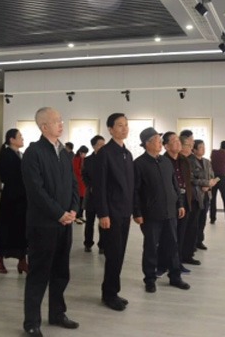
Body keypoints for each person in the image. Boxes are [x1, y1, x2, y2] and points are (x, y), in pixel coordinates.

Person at [21, 107, 80, 337]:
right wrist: (58, 213)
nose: (61, 124)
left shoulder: (64, 152)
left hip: (65, 223)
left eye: (61, 120)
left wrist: (73, 209)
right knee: (39, 274)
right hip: (43, 225)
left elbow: (73, 184)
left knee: (61, 272)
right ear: (44, 126)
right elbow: (36, 190)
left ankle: (57, 313)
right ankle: (31, 322)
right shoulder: (33, 153)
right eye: (56, 121)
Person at [133, 128, 190, 293]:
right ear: (147, 143)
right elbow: (135, 191)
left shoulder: (165, 162)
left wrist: (179, 204)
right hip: (151, 214)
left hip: (170, 212)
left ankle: (175, 276)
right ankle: (150, 279)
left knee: (172, 246)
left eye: (160, 140)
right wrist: (137, 212)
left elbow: (174, 185)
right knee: (151, 248)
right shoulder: (139, 164)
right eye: (157, 140)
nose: (160, 143)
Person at [93, 113, 134, 311]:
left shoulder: (127, 153)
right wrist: (103, 214)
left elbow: (130, 185)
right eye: (119, 125)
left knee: (120, 254)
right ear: (110, 129)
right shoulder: (105, 153)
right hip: (111, 212)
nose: (124, 128)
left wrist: (132, 210)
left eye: (126, 125)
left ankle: (113, 291)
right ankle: (109, 294)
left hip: (124, 211)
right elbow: (99, 186)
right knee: (113, 254)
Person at [157, 132, 194, 275]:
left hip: (184, 200)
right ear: (166, 146)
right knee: (166, 236)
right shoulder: (162, 161)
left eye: (178, 140)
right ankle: (162, 265)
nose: (178, 143)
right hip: (170, 201)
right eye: (174, 141)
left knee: (181, 234)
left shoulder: (184, 160)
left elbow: (188, 182)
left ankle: (177, 263)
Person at [0, 128, 28, 275]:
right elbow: (6, 176)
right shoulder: (6, 155)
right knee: (6, 227)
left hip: (22, 197)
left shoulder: (21, 154)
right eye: (20, 136)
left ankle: (22, 260)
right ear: (12, 140)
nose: (22, 139)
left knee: (22, 228)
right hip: (11, 197)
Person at [190, 139, 217, 256]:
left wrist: (209, 185)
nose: (203, 149)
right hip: (197, 194)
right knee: (194, 220)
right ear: (194, 149)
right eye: (200, 147)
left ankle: (199, 240)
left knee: (202, 219)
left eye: (204, 146)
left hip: (206, 194)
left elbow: (212, 176)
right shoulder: (190, 161)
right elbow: (192, 179)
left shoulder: (207, 162)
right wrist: (205, 183)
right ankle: (192, 242)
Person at [82, 135, 105, 253]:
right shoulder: (87, 160)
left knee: (103, 221)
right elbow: (84, 175)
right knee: (89, 222)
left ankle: (102, 245)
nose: (102, 147)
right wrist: (89, 186)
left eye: (103, 145)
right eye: (100, 145)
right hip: (91, 195)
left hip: (104, 196)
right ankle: (88, 243)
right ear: (93, 146)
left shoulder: (107, 159)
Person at [210, 140, 225, 224]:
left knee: (212, 198)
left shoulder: (213, 152)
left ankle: (212, 218)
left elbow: (212, 162)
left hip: (213, 177)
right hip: (222, 177)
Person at [72, 145, 89, 224]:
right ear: (80, 152)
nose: (85, 155)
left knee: (82, 200)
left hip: (83, 182)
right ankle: (76, 216)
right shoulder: (76, 158)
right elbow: (76, 169)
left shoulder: (83, 159)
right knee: (78, 200)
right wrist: (83, 173)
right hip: (78, 181)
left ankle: (81, 215)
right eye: (84, 153)